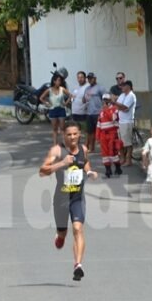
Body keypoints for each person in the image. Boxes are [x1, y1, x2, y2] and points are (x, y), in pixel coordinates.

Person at [39, 121, 99, 281]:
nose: (72, 137)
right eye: (69, 134)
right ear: (63, 135)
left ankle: (78, 265)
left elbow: (85, 162)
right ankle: (60, 237)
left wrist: (90, 172)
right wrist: (62, 163)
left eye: (75, 134)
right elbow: (42, 171)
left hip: (77, 197)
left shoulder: (83, 149)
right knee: (63, 232)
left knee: (78, 229)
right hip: (61, 199)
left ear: (79, 134)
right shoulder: (57, 151)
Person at [96, 93, 123, 177]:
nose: (105, 102)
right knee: (105, 153)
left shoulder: (114, 109)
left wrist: (106, 109)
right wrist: (98, 136)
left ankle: (118, 167)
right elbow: (99, 124)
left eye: (106, 100)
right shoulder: (101, 112)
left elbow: (112, 118)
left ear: (110, 101)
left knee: (113, 152)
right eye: (104, 100)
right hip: (103, 135)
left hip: (112, 134)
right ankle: (108, 169)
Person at [40, 72, 71, 143]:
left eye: (60, 80)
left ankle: (64, 142)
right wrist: (47, 104)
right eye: (58, 80)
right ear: (54, 81)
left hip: (61, 109)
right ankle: (55, 143)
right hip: (53, 110)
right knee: (54, 128)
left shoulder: (62, 89)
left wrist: (66, 103)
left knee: (62, 128)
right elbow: (41, 98)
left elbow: (70, 96)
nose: (59, 82)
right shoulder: (49, 90)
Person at [115, 79, 137, 167]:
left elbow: (124, 108)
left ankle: (128, 160)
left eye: (123, 86)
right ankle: (122, 158)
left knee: (127, 143)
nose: (122, 87)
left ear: (128, 87)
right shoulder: (122, 95)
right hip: (120, 121)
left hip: (127, 122)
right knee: (121, 142)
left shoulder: (131, 96)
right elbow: (118, 106)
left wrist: (118, 105)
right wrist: (119, 106)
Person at [82, 72, 106, 151]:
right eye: (88, 78)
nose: (90, 80)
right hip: (89, 113)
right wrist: (84, 99)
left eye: (91, 78)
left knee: (99, 131)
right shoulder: (87, 88)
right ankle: (91, 148)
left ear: (95, 78)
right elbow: (84, 99)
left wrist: (103, 110)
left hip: (97, 113)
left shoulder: (100, 88)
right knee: (90, 131)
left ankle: (103, 148)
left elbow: (105, 99)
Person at [70, 70, 91, 135]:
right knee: (75, 132)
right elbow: (72, 98)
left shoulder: (88, 87)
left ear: (85, 78)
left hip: (83, 113)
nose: (80, 79)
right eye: (78, 77)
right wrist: (71, 98)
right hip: (75, 113)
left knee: (85, 132)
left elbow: (89, 100)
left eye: (81, 77)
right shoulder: (75, 87)